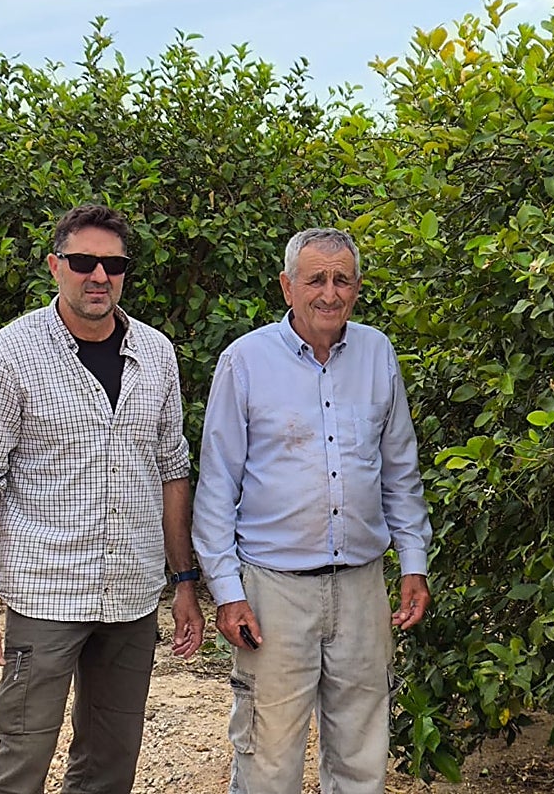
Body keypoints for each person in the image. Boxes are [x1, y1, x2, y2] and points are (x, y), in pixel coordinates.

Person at [0, 203, 205, 794]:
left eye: (112, 265)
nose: (98, 276)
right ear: (55, 266)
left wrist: (184, 582)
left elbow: (171, 471)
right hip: (47, 593)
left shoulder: (157, 354)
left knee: (111, 763)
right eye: (83, 261)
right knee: (20, 758)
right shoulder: (8, 355)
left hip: (134, 596)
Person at [192, 227, 434, 794]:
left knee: (361, 753)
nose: (330, 293)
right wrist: (228, 593)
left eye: (342, 279)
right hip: (274, 591)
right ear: (286, 287)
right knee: (268, 756)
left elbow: (399, 468)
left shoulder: (377, 353)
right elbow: (216, 488)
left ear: (356, 287)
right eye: (315, 279)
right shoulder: (244, 361)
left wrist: (414, 563)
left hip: (360, 588)